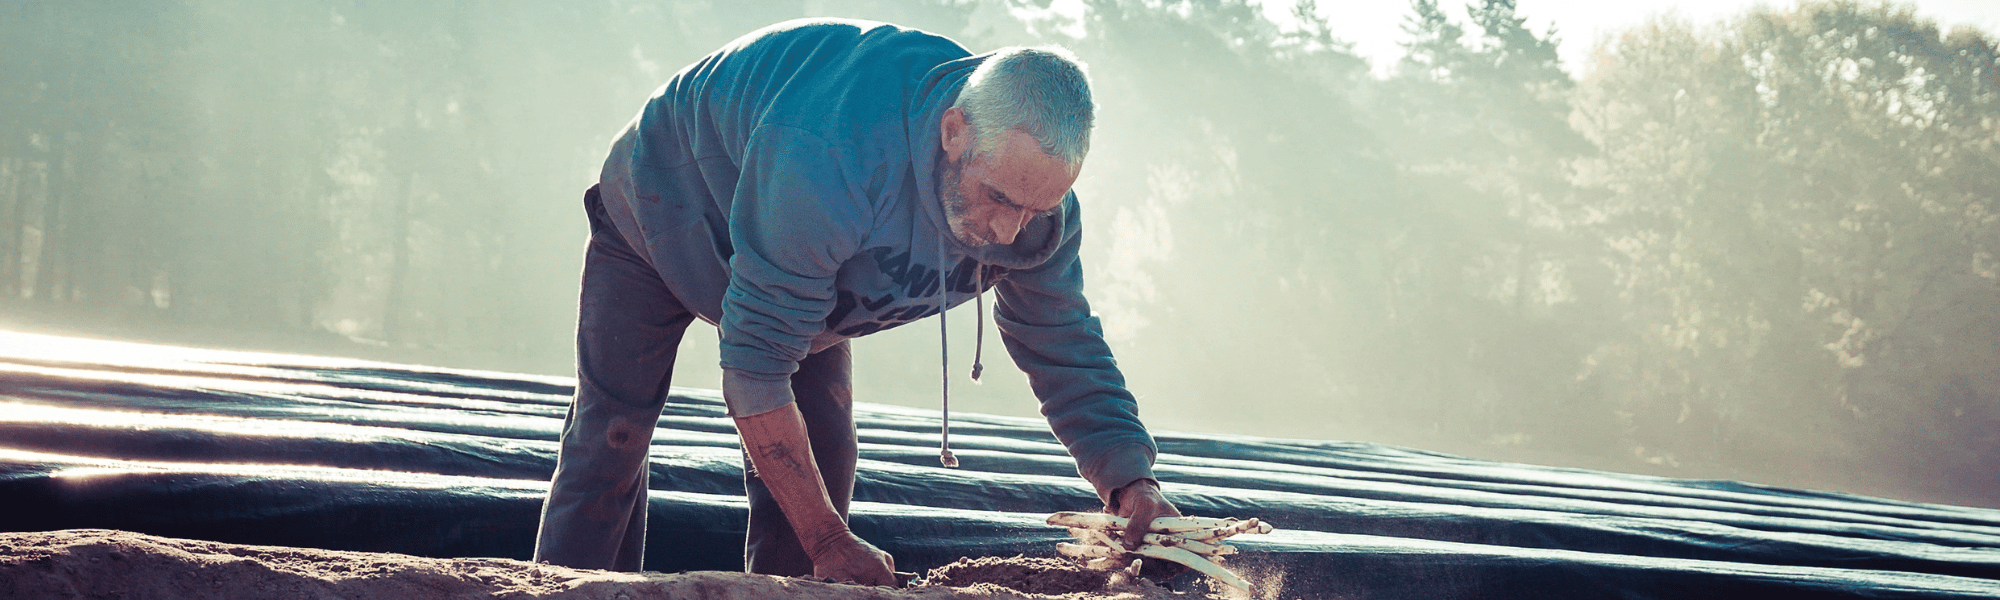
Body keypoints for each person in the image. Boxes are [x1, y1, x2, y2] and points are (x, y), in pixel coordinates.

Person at [532, 18, 1180, 586]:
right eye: (998, 199)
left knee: (826, 455)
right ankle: (570, 586)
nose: (1009, 233)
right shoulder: (835, 149)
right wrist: (828, 540)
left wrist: (1130, 482)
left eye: (1035, 208)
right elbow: (755, 369)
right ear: (953, 132)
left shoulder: (1037, 217)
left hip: (806, 279)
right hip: (660, 211)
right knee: (613, 434)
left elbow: (1063, 344)